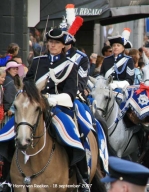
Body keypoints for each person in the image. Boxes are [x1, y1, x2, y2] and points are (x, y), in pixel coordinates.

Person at [25, 28, 89, 191]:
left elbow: (70, 94)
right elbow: (27, 83)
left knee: (74, 132)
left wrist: (50, 100)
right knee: (13, 128)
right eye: (51, 42)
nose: (53, 45)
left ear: (63, 46)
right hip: (34, 107)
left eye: (57, 43)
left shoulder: (70, 65)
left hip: (57, 107)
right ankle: (6, 179)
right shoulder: (38, 61)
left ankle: (82, 177)